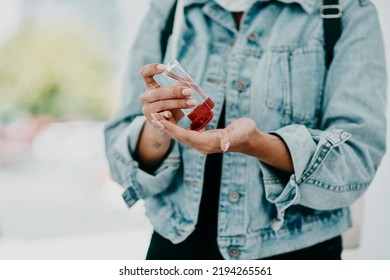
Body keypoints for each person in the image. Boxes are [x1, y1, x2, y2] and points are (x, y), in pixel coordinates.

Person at [104, 0, 387, 260]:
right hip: (176, 249)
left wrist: (259, 144)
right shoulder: (170, 8)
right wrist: (159, 129)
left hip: (296, 251)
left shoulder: (346, 10)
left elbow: (357, 157)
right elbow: (120, 153)